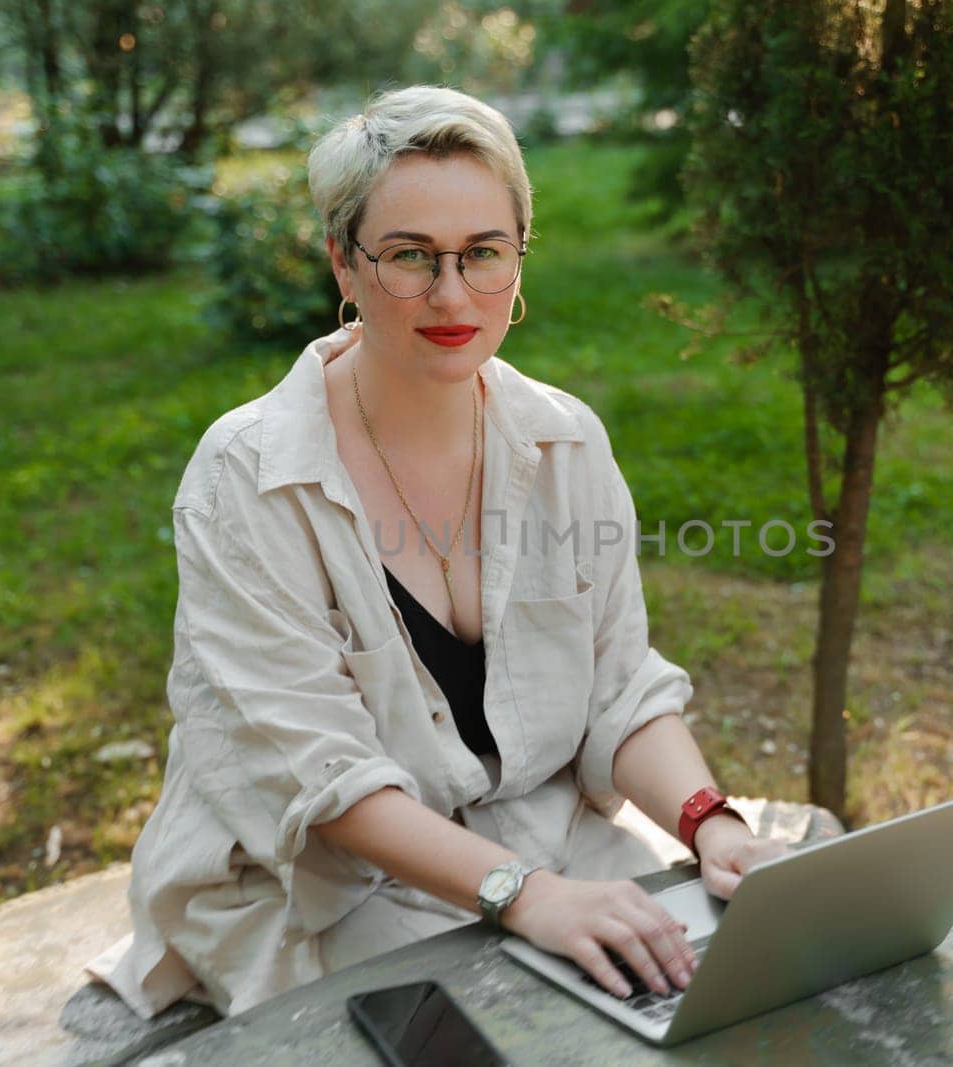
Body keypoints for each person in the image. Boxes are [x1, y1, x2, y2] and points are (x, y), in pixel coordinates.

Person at [87, 84, 786, 1020]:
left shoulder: (565, 441)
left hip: (547, 848)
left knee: (741, 997)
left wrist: (710, 822)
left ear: (518, 257)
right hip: (324, 888)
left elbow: (622, 689)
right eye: (410, 256)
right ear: (343, 258)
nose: (453, 294)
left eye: (483, 254)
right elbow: (324, 782)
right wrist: (525, 897)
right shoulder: (245, 478)